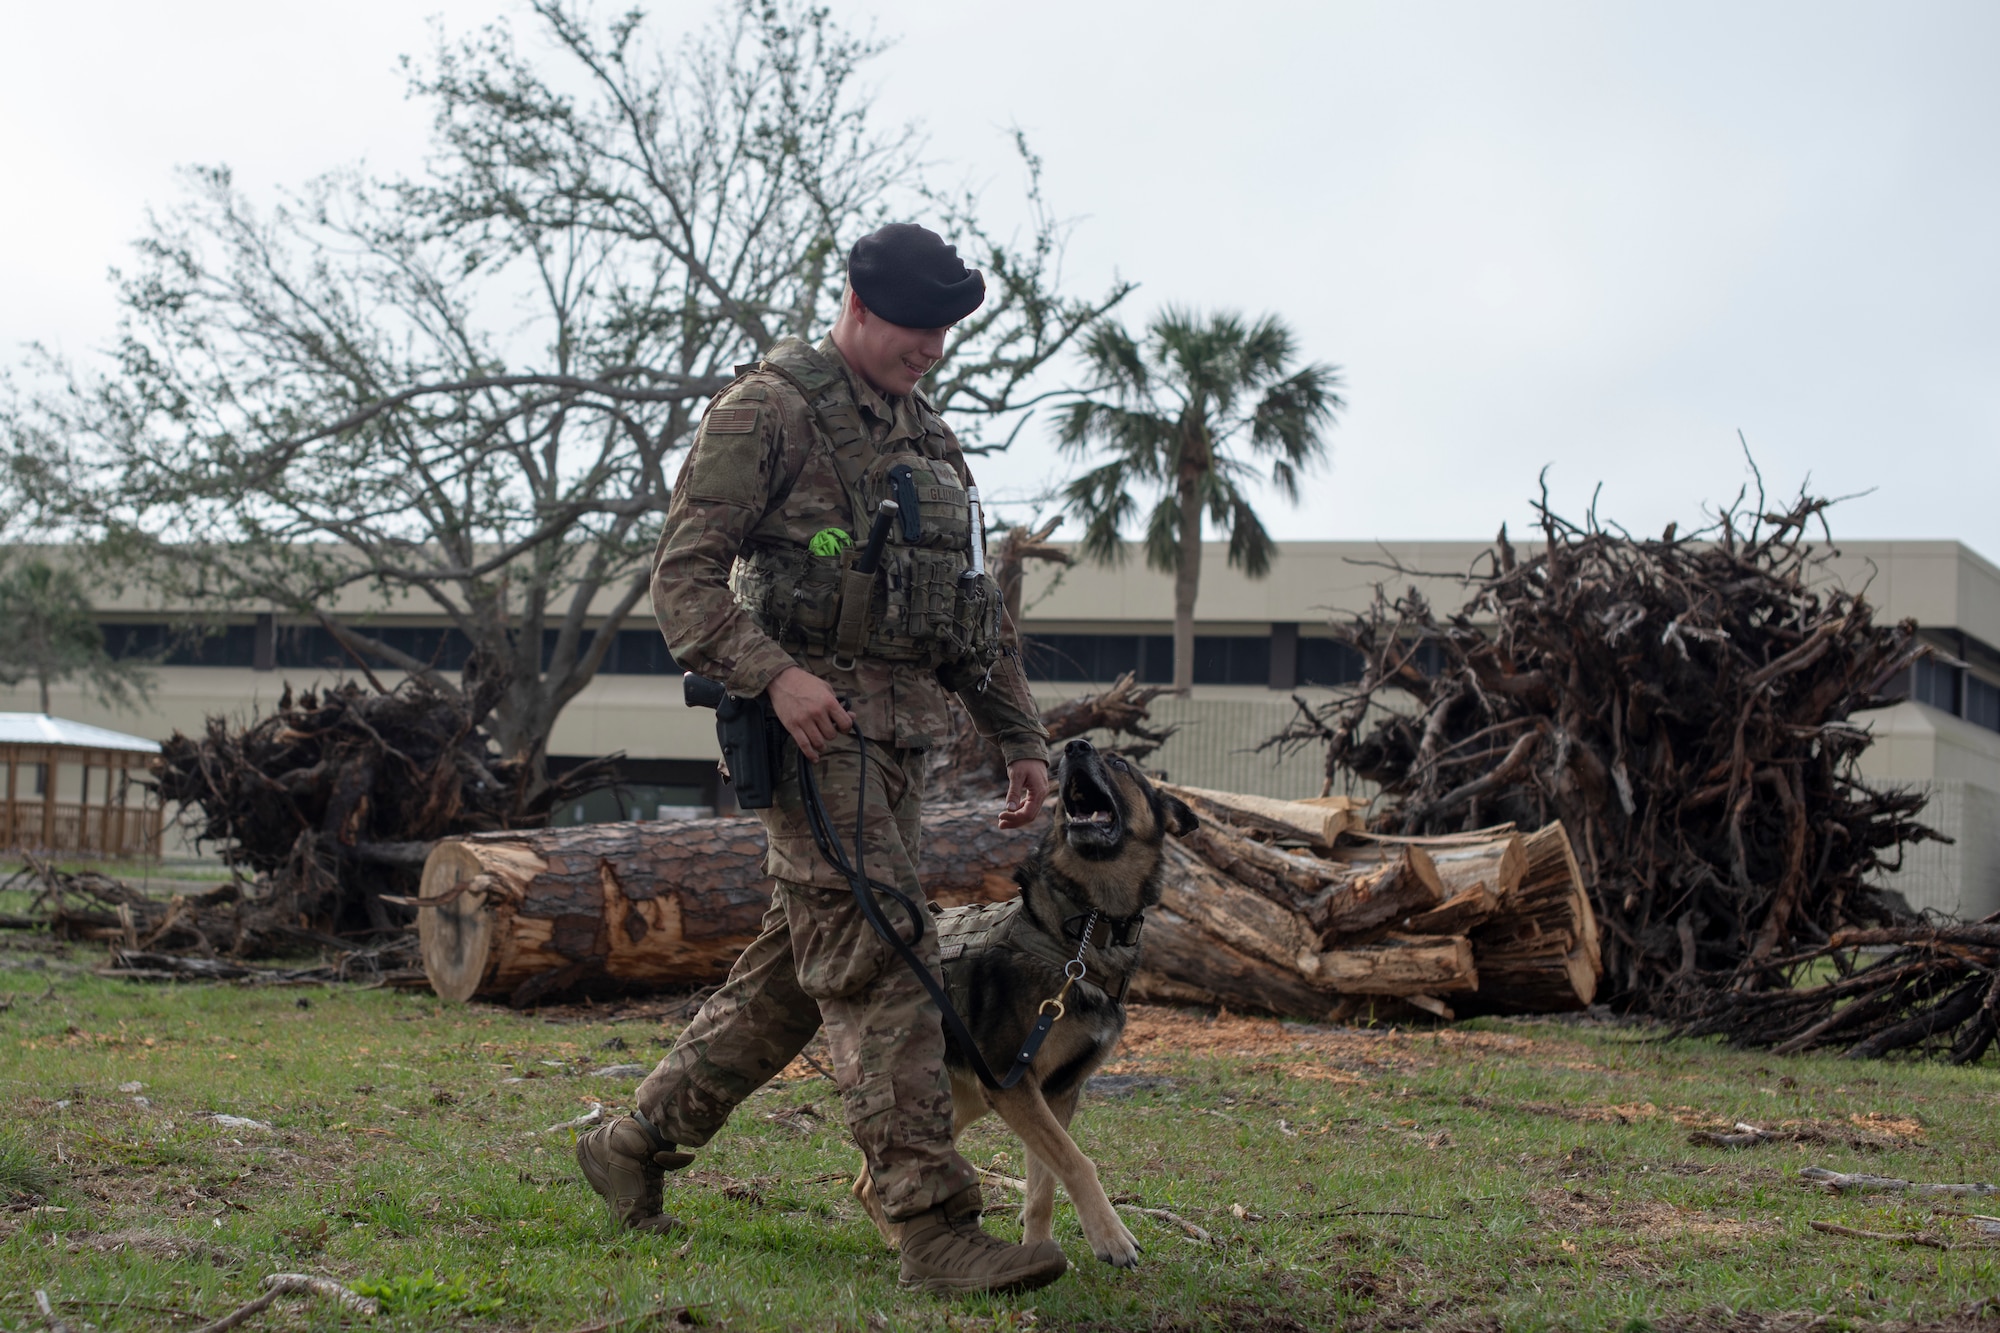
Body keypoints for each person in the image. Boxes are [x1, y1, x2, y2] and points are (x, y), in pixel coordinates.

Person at [575, 224, 1068, 1295]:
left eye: (943, 331)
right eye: (912, 325)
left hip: (902, 748)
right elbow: (685, 581)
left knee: (795, 982)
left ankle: (630, 1143)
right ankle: (932, 1224)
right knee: (887, 954)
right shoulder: (768, 410)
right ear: (854, 302)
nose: (929, 348)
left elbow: (972, 613)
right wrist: (775, 674)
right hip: (809, 739)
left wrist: (1020, 735)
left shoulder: (932, 443)